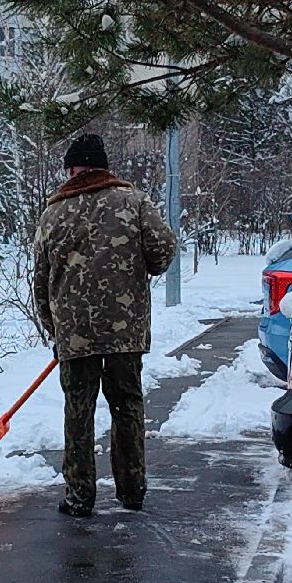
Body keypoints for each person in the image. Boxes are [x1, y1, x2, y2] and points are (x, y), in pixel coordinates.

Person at [34, 134, 178, 517]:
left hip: (74, 334)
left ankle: (80, 496)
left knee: (77, 411)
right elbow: (163, 250)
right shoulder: (133, 202)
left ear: (72, 169)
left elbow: (41, 280)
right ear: (103, 167)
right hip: (124, 330)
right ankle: (132, 491)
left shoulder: (53, 213)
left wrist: (55, 329)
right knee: (127, 405)